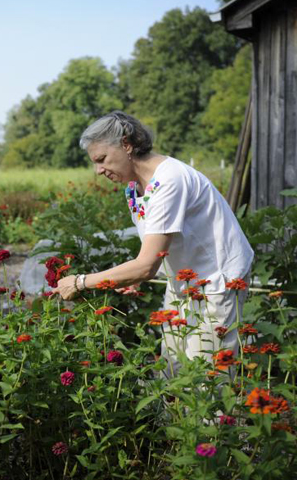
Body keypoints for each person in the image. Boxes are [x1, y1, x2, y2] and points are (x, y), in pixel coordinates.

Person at [52, 111, 254, 375]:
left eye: (101, 159)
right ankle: (176, 417)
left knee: (208, 377)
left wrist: (81, 281)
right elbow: (155, 247)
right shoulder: (135, 187)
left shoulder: (170, 180)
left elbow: (145, 264)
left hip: (217, 281)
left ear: (126, 144)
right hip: (183, 280)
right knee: (173, 367)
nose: (98, 170)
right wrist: (136, 274)